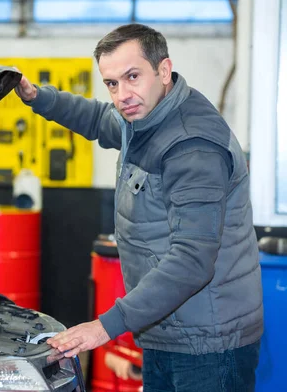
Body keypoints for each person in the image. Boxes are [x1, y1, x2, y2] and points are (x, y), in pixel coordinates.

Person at [15, 24, 263, 391]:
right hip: (165, 329)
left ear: (163, 70)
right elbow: (99, 119)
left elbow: (193, 259)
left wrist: (104, 326)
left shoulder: (192, 146)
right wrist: (38, 97)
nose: (122, 95)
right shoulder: (144, 116)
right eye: (112, 83)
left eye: (132, 77)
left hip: (209, 345)